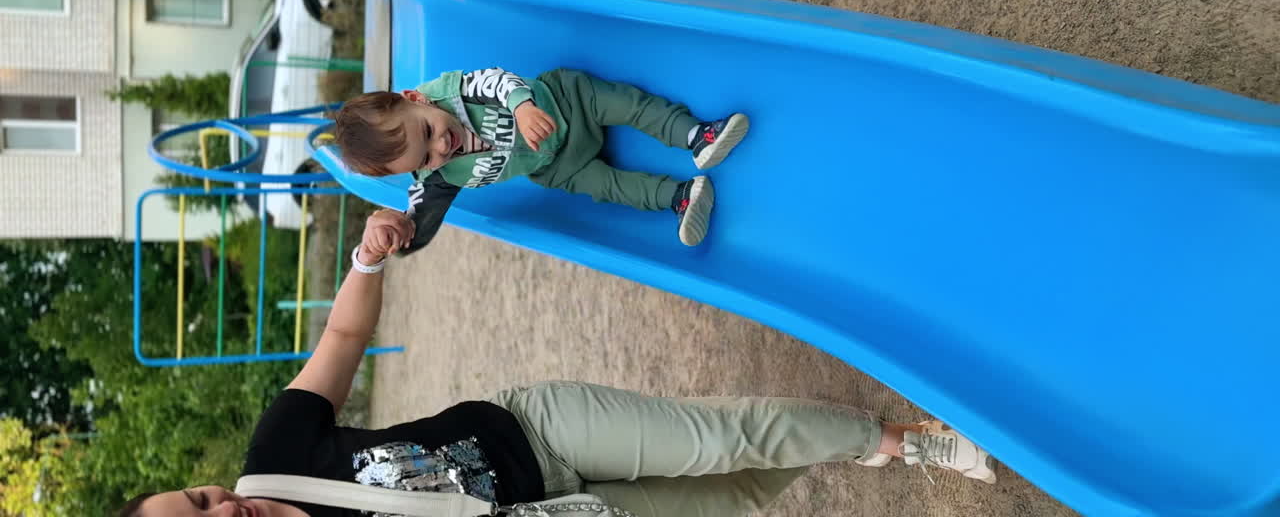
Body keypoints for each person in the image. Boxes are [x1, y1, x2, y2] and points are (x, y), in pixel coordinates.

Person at [117, 210, 996, 517]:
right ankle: (854, 444)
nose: (226, 506)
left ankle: (901, 441)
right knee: (735, 494)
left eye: (200, 499)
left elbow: (340, 346)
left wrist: (367, 261)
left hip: (533, 428)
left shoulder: (276, 458)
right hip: (563, 515)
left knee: (723, 439)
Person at [332, 67, 751, 248]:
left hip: (565, 102)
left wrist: (520, 106)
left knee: (630, 105)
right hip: (554, 165)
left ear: (415, 99)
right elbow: (419, 219)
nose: (441, 148)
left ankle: (697, 135)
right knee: (604, 186)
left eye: (428, 131)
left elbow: (495, 81)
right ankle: (680, 196)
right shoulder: (437, 179)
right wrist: (398, 226)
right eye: (424, 160)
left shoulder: (451, 93)